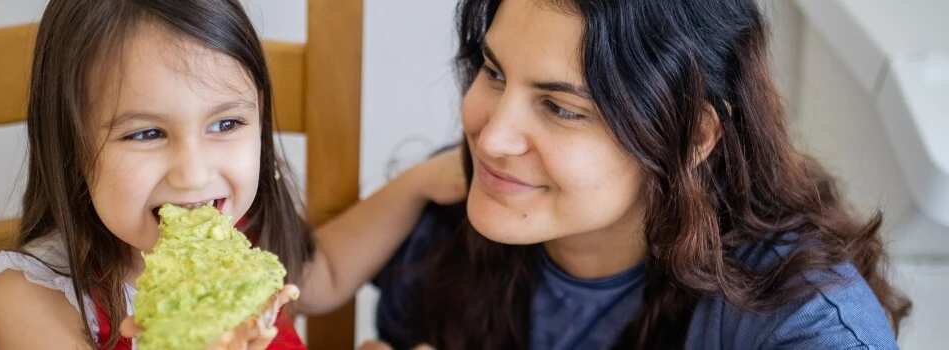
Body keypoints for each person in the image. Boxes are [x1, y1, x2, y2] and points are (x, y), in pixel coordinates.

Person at [306, 0, 913, 349]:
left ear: (693, 136)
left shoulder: (804, 322)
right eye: (493, 72)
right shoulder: (457, 219)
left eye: (562, 108)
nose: (489, 137)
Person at [0, 0, 310, 349]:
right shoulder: (33, 299)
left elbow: (330, 273)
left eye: (226, 123)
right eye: (147, 133)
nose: (193, 175)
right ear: (71, 147)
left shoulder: (255, 236)